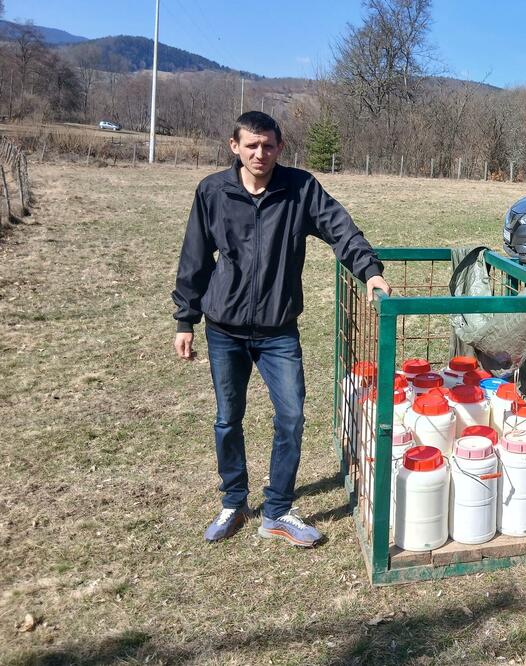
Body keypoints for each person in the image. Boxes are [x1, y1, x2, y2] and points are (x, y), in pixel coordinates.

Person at [172, 111, 390, 547]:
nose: (260, 153)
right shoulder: (213, 191)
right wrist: (185, 319)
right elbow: (195, 256)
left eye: (268, 145)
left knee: (291, 417)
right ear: (234, 146)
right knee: (227, 418)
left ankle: (277, 510)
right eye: (251, 145)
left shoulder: (300, 188)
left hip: (278, 330)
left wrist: (370, 272)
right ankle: (234, 502)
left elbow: (341, 230)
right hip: (224, 329)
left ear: (280, 147)